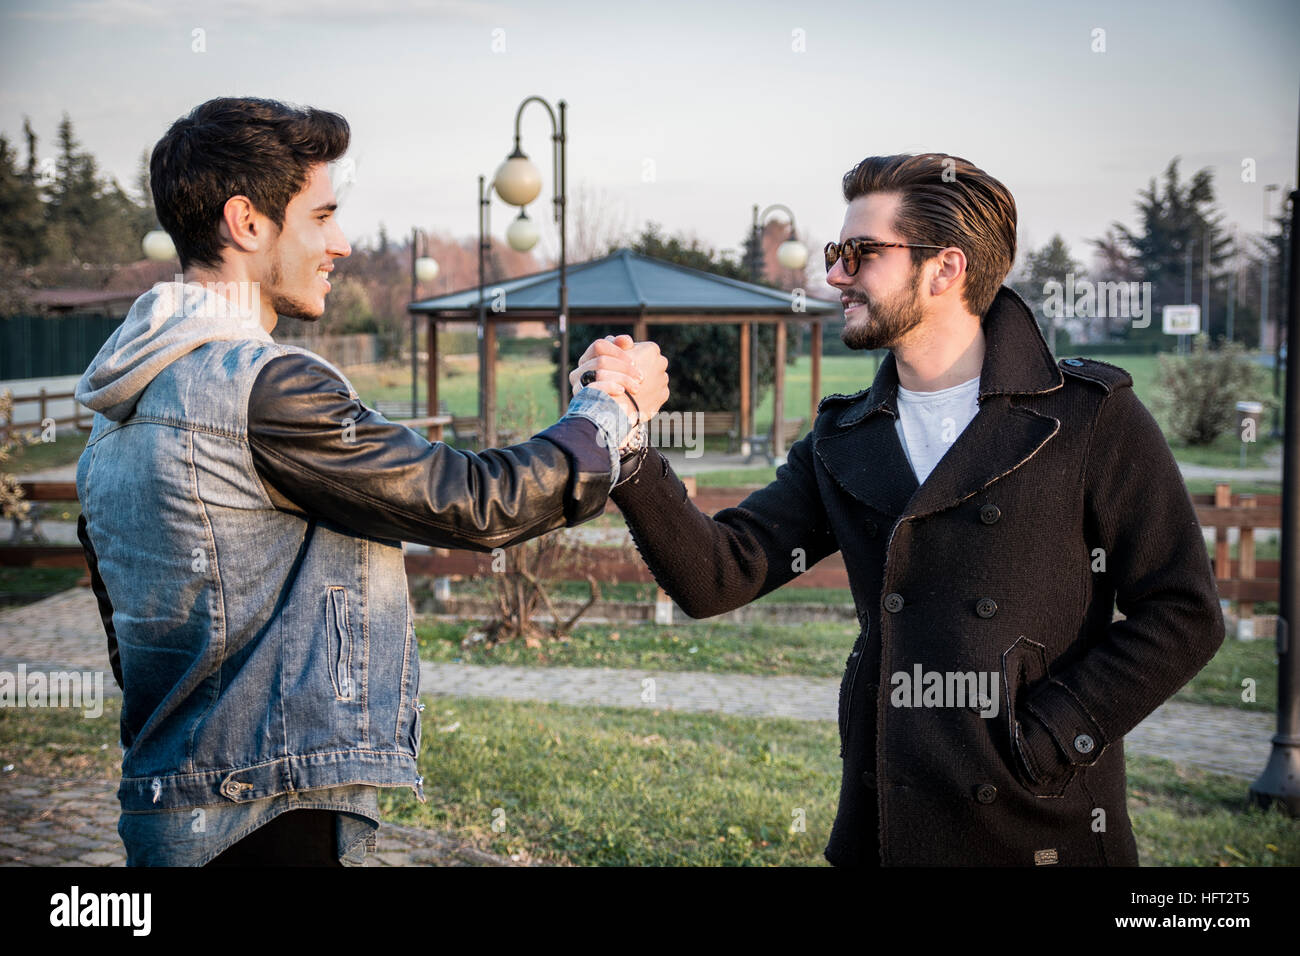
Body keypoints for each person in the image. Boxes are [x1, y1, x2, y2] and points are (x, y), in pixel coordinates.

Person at [582, 153, 1225, 866]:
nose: (833, 276)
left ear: (944, 269)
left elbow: (1183, 612)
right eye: (835, 253)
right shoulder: (845, 437)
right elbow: (717, 575)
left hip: (1042, 829)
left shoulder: (1087, 418)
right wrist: (630, 442)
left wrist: (1049, 735)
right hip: (884, 827)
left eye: (859, 254)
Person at [73, 96, 666, 866]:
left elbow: (133, 641)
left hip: (174, 804)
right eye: (322, 217)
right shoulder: (264, 387)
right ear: (246, 222)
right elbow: (478, 500)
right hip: (263, 812)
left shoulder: (117, 404)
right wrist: (609, 408)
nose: (342, 243)